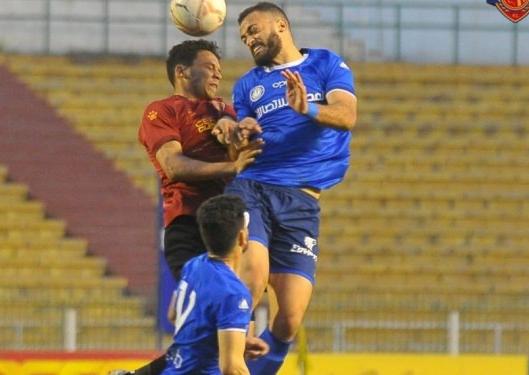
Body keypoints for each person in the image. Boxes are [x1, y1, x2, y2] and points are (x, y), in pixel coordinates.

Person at [214, 2, 359, 374]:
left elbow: (346, 116)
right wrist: (238, 131)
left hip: (302, 201)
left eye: (253, 28)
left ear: (280, 24)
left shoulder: (326, 64)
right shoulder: (248, 83)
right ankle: (231, 358)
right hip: (254, 186)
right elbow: (240, 130)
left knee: (289, 318)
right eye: (243, 35)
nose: (248, 38)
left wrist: (308, 107)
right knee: (253, 274)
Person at [113, 40, 265, 375]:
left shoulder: (224, 110)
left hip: (230, 226)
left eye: (219, 68)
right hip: (190, 224)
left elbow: (233, 139)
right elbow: (174, 166)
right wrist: (231, 167)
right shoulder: (163, 110)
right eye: (209, 66)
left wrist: (243, 133)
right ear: (182, 72)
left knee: (213, 326)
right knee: (215, 325)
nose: (218, 73)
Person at [162, 194, 255, 374]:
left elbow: (174, 315)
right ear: (242, 237)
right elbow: (232, 368)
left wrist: (232, 339)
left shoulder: (194, 265)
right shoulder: (234, 293)